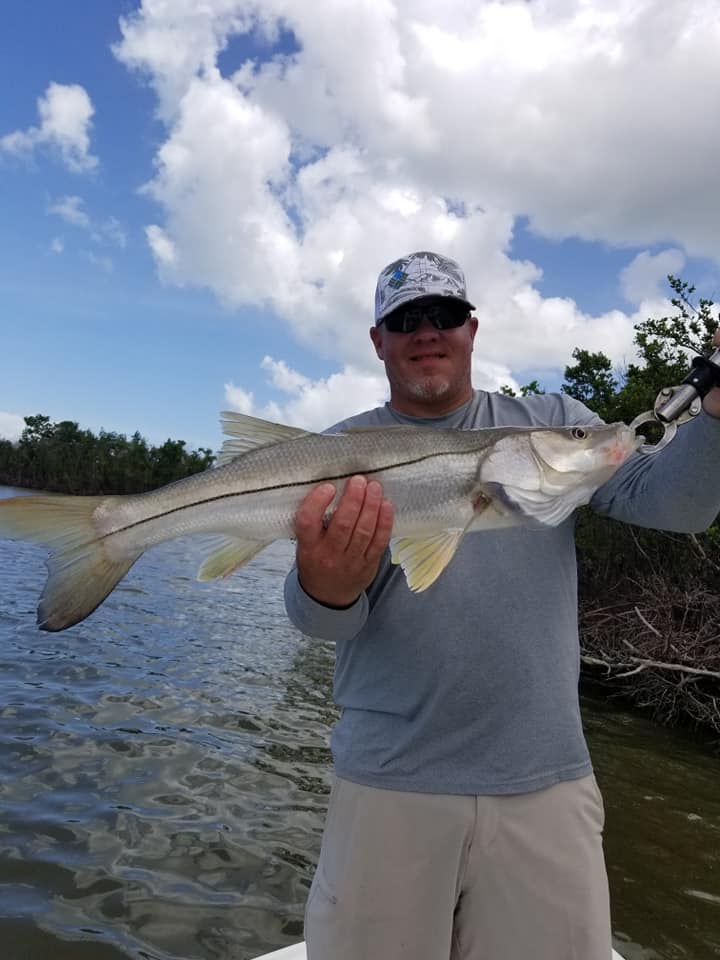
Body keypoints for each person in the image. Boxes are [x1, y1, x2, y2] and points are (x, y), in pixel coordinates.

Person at [283, 250, 720, 960]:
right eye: (405, 319)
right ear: (378, 341)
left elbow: (678, 503)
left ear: (472, 329)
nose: (427, 331)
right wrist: (327, 585)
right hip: (390, 783)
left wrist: (715, 415)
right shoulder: (340, 450)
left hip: (547, 784)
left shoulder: (550, 421)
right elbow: (315, 619)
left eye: (445, 315)